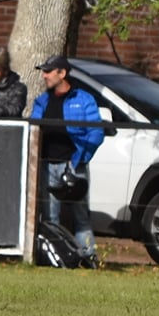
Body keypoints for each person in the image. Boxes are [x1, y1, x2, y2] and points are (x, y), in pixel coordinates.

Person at [30, 55, 104, 268]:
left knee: (81, 216)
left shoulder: (84, 99)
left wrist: (79, 159)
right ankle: (58, 258)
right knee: (51, 217)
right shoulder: (42, 100)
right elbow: (35, 129)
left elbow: (96, 133)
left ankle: (90, 258)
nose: (44, 76)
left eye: (48, 71)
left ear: (61, 73)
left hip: (74, 165)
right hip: (46, 166)